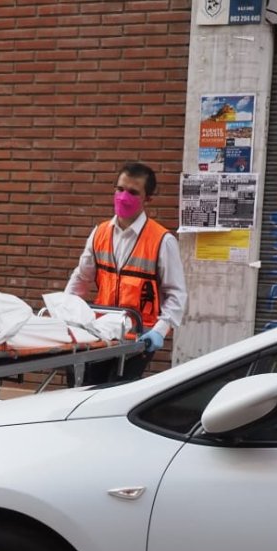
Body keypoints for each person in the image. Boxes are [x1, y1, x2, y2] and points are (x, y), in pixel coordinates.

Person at [65, 161, 187, 384]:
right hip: (101, 332)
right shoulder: (100, 233)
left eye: (132, 192)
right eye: (120, 189)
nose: (123, 197)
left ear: (147, 198)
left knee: (116, 393)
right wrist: (65, 311)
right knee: (84, 390)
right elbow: (81, 278)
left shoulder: (161, 240)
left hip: (139, 336)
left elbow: (176, 294)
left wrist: (160, 330)